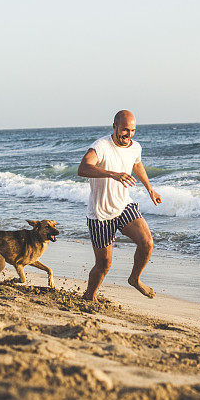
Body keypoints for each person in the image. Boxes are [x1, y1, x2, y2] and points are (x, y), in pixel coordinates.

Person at [77, 110, 162, 301]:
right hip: (100, 214)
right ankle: (89, 296)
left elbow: (137, 164)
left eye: (132, 130)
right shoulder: (101, 146)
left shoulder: (135, 147)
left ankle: (135, 279)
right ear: (114, 127)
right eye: (124, 130)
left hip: (124, 206)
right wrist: (113, 174)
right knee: (104, 264)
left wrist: (150, 189)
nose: (128, 135)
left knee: (147, 242)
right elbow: (82, 169)